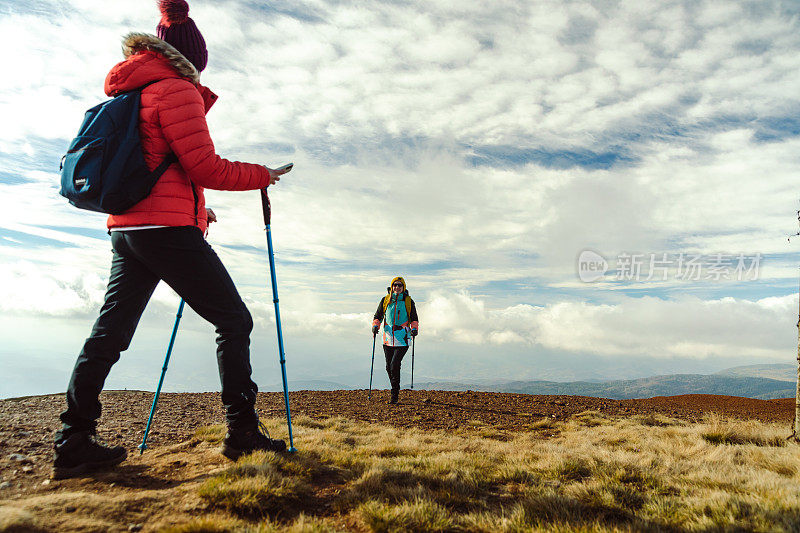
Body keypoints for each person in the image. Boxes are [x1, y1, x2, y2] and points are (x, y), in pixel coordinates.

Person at [53, 0, 291, 479]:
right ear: (188, 57)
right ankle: (241, 431)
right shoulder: (177, 90)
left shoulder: (132, 91)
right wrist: (261, 175)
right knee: (234, 320)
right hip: (165, 232)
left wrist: (198, 211)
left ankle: (74, 438)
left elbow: (164, 168)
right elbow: (205, 166)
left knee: (110, 333)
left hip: (128, 230)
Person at [372, 277, 419, 404]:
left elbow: (414, 318)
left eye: (400, 285)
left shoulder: (408, 301)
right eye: (395, 285)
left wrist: (414, 329)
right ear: (391, 287)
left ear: (403, 287)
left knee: (394, 365)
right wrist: (375, 325)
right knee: (388, 367)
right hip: (387, 338)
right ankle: (395, 388)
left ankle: (394, 394)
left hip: (403, 339)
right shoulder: (385, 300)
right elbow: (378, 316)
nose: (397, 288)